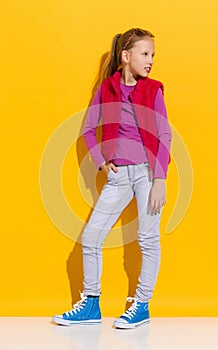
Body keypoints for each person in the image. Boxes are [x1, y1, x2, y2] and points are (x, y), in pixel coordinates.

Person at [52, 28, 172, 329]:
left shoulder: (153, 89)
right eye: (145, 54)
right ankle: (91, 304)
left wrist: (160, 178)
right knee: (91, 237)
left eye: (153, 55)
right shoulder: (107, 89)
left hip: (147, 173)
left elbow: (165, 134)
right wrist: (101, 162)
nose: (151, 60)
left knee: (148, 240)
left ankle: (141, 305)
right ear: (126, 56)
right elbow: (88, 129)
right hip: (118, 177)